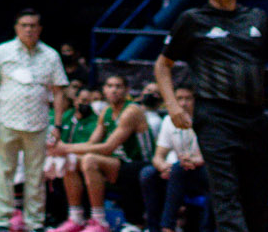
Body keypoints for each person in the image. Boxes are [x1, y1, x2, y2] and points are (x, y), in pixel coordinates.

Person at [156, 0, 268, 232]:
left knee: (258, 192)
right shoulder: (192, 20)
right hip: (214, 117)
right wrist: (172, 106)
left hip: (255, 117)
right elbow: (163, 65)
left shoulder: (257, 18)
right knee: (225, 191)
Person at [0, 7, 68, 232]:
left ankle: (35, 222)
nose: (29, 29)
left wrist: (57, 124)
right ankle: (1, 220)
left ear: (40, 29)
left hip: (38, 123)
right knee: (4, 172)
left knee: (35, 175)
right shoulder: (2, 51)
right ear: (16, 28)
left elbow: (59, 92)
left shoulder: (51, 55)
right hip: (6, 121)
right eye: (24, 25)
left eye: (33, 25)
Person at [62, 71, 155, 232]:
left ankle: (100, 222)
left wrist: (64, 147)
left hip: (141, 164)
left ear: (127, 90)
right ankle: (76, 217)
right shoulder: (106, 112)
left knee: (89, 159)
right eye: (110, 86)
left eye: (118, 86)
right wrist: (64, 151)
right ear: (104, 90)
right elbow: (92, 142)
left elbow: (107, 147)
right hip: (118, 164)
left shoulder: (132, 111)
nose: (114, 90)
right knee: (70, 160)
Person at [140, 85, 207, 232]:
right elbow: (158, 156)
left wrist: (195, 160)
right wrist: (163, 166)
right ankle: (153, 227)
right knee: (148, 173)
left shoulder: (207, 120)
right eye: (179, 99)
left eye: (188, 98)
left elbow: (211, 156)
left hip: (203, 172)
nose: (183, 103)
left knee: (178, 169)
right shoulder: (169, 121)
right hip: (180, 171)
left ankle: (167, 227)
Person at [43, 89, 100, 231]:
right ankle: (48, 215)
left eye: (88, 101)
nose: (84, 104)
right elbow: (54, 140)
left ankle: (72, 216)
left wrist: (64, 149)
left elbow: (90, 146)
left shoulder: (95, 121)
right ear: (75, 101)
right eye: (82, 100)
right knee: (47, 166)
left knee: (67, 164)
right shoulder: (67, 117)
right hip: (60, 155)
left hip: (79, 158)